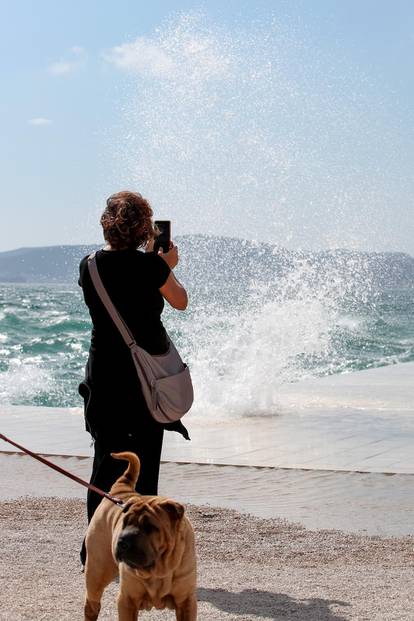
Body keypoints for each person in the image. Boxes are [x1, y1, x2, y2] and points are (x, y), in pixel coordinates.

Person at [78, 191, 189, 565]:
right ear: (145, 229)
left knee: (105, 464)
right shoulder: (151, 268)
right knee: (142, 467)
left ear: (107, 224)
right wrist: (166, 264)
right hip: (145, 382)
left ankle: (94, 553)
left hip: (104, 377)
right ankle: (138, 553)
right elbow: (180, 301)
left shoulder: (88, 265)